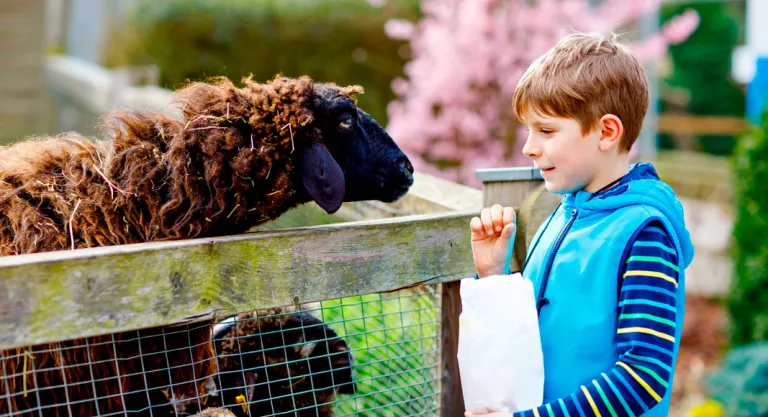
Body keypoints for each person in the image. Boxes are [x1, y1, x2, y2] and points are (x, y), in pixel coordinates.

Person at [466, 32, 695, 417]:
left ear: (607, 132)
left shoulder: (644, 235)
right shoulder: (565, 213)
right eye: (528, 130)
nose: (529, 147)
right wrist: (493, 274)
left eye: (547, 130)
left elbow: (643, 376)